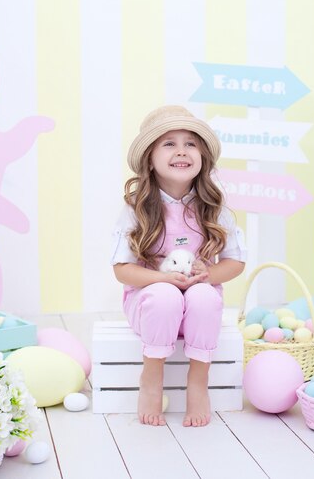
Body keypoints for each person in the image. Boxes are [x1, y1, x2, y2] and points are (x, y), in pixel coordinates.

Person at [111, 105, 246, 427]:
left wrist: (207, 275)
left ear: (202, 157)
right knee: (165, 295)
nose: (182, 151)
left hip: (199, 310)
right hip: (152, 308)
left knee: (203, 295)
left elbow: (235, 261)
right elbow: (122, 270)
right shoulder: (137, 208)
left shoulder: (213, 206)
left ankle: (198, 380)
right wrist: (162, 278)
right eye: (169, 143)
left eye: (190, 143)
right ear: (150, 159)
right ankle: (152, 374)